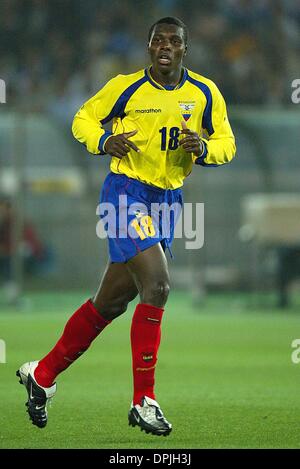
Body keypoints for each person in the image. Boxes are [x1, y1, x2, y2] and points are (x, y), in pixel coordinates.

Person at [17, 17, 236, 436]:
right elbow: (83, 118)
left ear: (185, 50)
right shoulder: (125, 87)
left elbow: (227, 143)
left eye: (174, 41)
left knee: (110, 303)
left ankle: (41, 376)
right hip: (125, 193)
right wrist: (103, 141)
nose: (165, 46)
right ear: (149, 48)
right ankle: (144, 401)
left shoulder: (205, 93)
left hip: (168, 200)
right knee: (158, 284)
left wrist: (205, 148)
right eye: (158, 40)